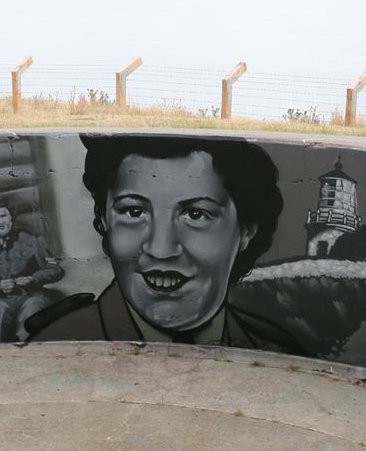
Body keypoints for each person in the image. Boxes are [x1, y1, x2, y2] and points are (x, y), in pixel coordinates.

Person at [26, 135, 303, 354]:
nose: (161, 249)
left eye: (195, 214)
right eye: (134, 212)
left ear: (246, 230)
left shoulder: (272, 348)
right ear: (104, 220)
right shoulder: (58, 349)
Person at [0, 195, 64, 342]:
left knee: (32, 323)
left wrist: (33, 278)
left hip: (31, 296)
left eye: (4, 215)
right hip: (0, 300)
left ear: (11, 217)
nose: (0, 221)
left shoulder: (29, 240)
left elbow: (55, 270)